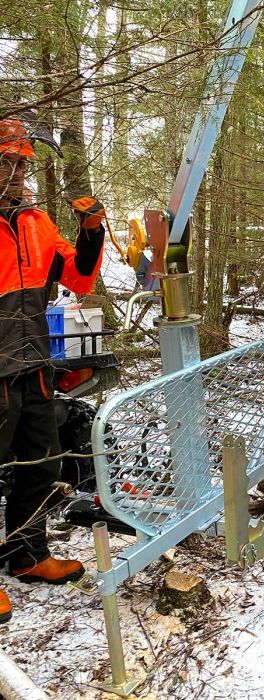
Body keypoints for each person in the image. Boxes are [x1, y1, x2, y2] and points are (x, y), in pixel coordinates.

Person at [0, 116, 106, 623]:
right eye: (7, 162)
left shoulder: (35, 222)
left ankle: (26, 554)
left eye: (21, 163)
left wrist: (92, 229)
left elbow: (79, 279)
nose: (17, 172)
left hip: (35, 363)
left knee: (40, 463)